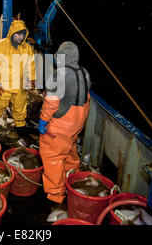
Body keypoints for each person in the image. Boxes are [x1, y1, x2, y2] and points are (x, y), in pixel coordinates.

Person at [38, 41, 92, 206]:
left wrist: (43, 121)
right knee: (70, 151)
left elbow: (52, 103)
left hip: (61, 125)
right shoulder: (85, 72)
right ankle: (72, 181)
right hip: (78, 122)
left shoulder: (58, 75)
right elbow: (87, 97)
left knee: (52, 157)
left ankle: (55, 196)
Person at [0, 19, 36, 138]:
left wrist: (32, 78)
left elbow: (31, 64)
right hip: (3, 86)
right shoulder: (0, 46)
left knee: (20, 107)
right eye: (18, 34)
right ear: (12, 33)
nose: (21, 37)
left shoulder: (26, 48)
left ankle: (20, 126)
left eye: (23, 34)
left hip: (19, 86)